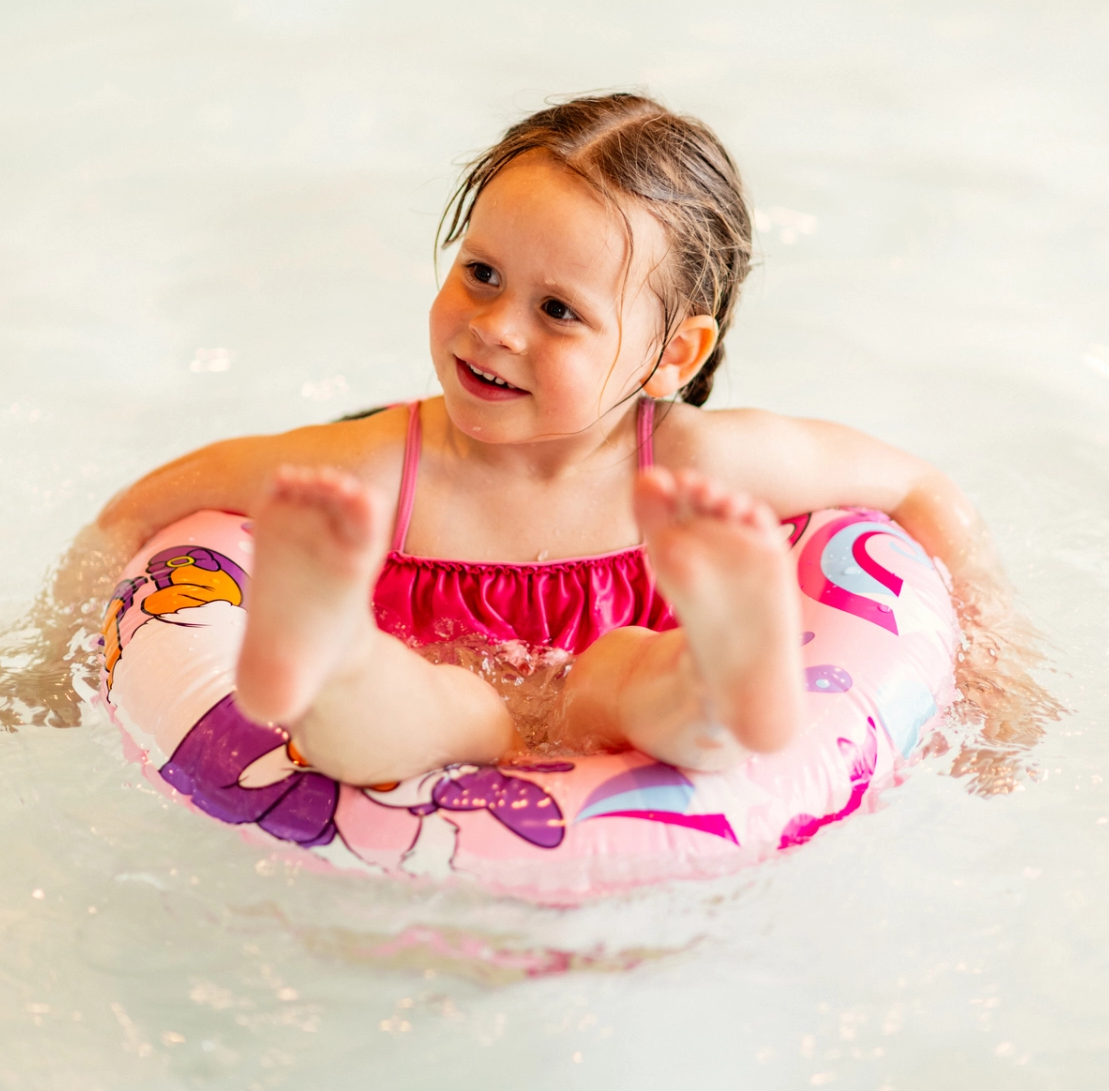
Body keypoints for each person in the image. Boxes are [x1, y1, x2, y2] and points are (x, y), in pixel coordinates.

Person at [91, 93, 1022, 786]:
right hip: (448, 715)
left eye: (558, 310)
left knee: (620, 676)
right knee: (449, 709)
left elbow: (917, 490)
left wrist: (997, 664)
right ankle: (337, 658)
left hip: (612, 703)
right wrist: (57, 659)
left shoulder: (694, 467)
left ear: (673, 353)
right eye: (482, 273)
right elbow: (145, 507)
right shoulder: (379, 469)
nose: (495, 328)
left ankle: (722, 669)